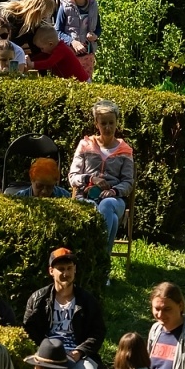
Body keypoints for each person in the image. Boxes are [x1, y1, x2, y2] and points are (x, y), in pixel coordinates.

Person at [22, 247, 106, 369]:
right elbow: (28, 329)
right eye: (61, 269)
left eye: (69, 268)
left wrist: (79, 351)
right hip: (47, 356)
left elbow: (98, 332)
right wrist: (42, 350)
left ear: (75, 270)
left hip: (76, 355)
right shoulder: (38, 299)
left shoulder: (87, 301)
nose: (66, 273)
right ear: (51, 271)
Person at [69, 100, 133, 257]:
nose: (108, 127)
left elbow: (128, 182)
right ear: (96, 123)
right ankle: (103, 264)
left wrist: (113, 191)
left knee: (107, 205)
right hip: (86, 196)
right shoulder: (85, 145)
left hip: (114, 199)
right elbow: (73, 177)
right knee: (112, 219)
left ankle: (94, 257)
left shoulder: (125, 150)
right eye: (103, 123)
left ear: (117, 122)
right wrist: (91, 179)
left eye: (111, 123)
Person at [56, 0, 100, 77]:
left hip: (88, 54)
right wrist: (72, 42)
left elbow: (98, 28)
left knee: (87, 83)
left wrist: (95, 35)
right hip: (70, 53)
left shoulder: (93, 6)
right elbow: (57, 31)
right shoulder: (65, 7)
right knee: (71, 83)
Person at [6, 157, 72, 199]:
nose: (44, 191)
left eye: (49, 187)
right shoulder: (20, 198)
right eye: (39, 186)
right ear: (32, 180)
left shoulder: (64, 195)